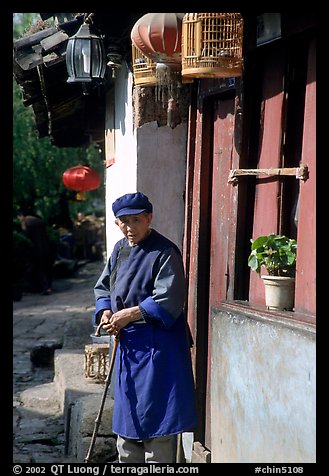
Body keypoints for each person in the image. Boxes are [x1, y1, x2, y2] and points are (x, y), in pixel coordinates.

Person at [94, 192, 197, 463]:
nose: (129, 227)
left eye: (136, 220)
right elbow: (104, 286)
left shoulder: (165, 251)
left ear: (149, 218)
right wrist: (106, 311)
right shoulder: (120, 250)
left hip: (159, 347)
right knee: (128, 419)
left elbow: (168, 299)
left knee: (158, 419)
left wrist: (128, 314)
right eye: (123, 221)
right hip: (129, 348)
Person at [17, 208, 54, 295]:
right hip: (46, 248)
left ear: (21, 215)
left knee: (39, 270)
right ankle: (47, 286)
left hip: (36, 250)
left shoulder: (26, 222)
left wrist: (23, 228)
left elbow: (26, 236)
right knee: (45, 268)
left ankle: (46, 288)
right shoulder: (38, 220)